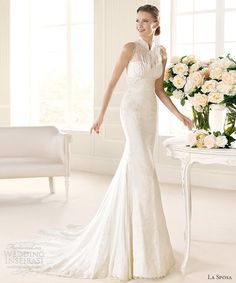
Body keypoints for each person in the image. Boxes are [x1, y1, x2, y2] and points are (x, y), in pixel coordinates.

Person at [12, 4, 192, 282]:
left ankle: (145, 248)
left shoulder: (161, 52)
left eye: (145, 21)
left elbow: (159, 89)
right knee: (142, 171)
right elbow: (110, 84)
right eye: (137, 21)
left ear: (157, 23)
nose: (140, 25)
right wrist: (99, 117)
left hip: (150, 117)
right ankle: (137, 253)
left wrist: (179, 115)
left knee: (140, 172)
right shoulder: (129, 49)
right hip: (131, 112)